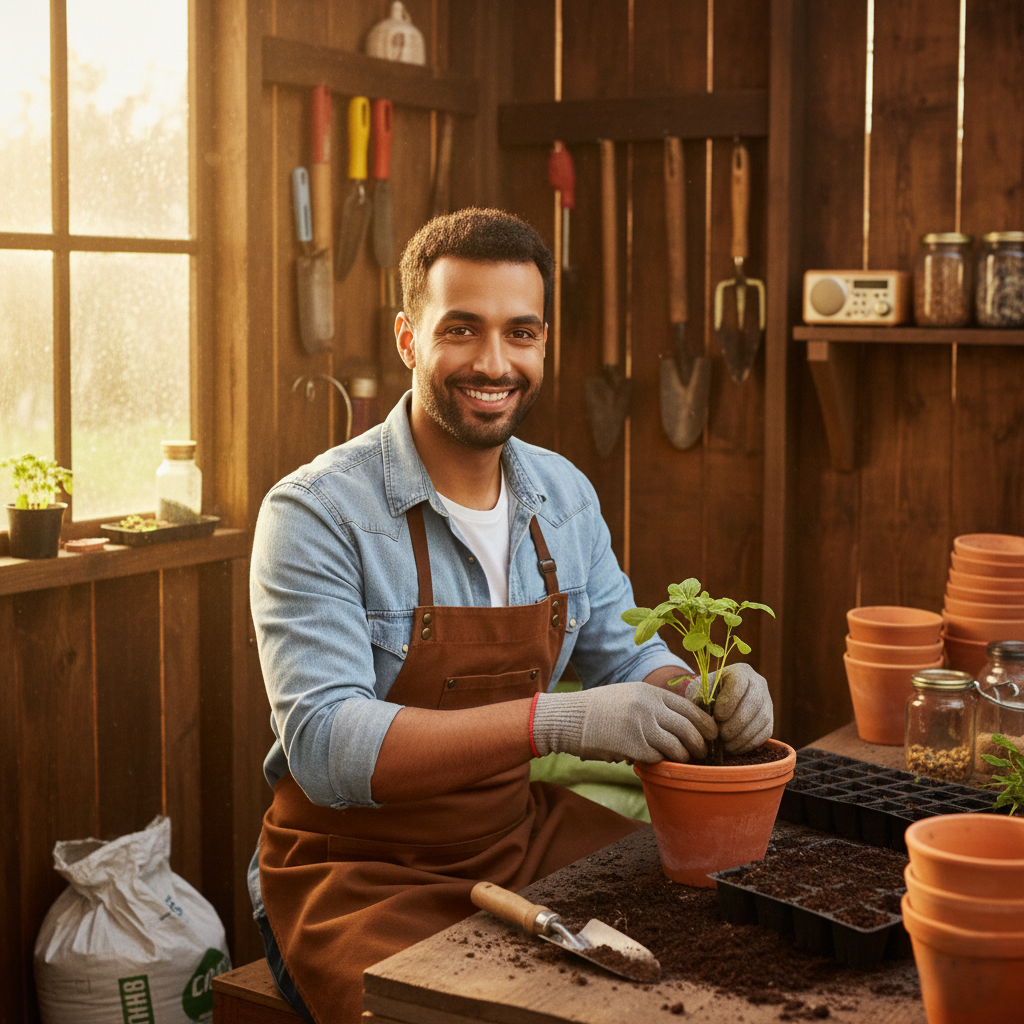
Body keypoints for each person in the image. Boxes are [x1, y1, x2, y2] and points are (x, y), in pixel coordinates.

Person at [248, 208, 773, 1024]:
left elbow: (623, 656)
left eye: (519, 333)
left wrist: (703, 690)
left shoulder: (562, 496)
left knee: (717, 936)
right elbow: (325, 746)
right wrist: (553, 722)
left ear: (543, 344)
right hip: (355, 871)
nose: (494, 362)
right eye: (462, 329)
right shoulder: (317, 512)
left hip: (517, 837)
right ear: (407, 339)